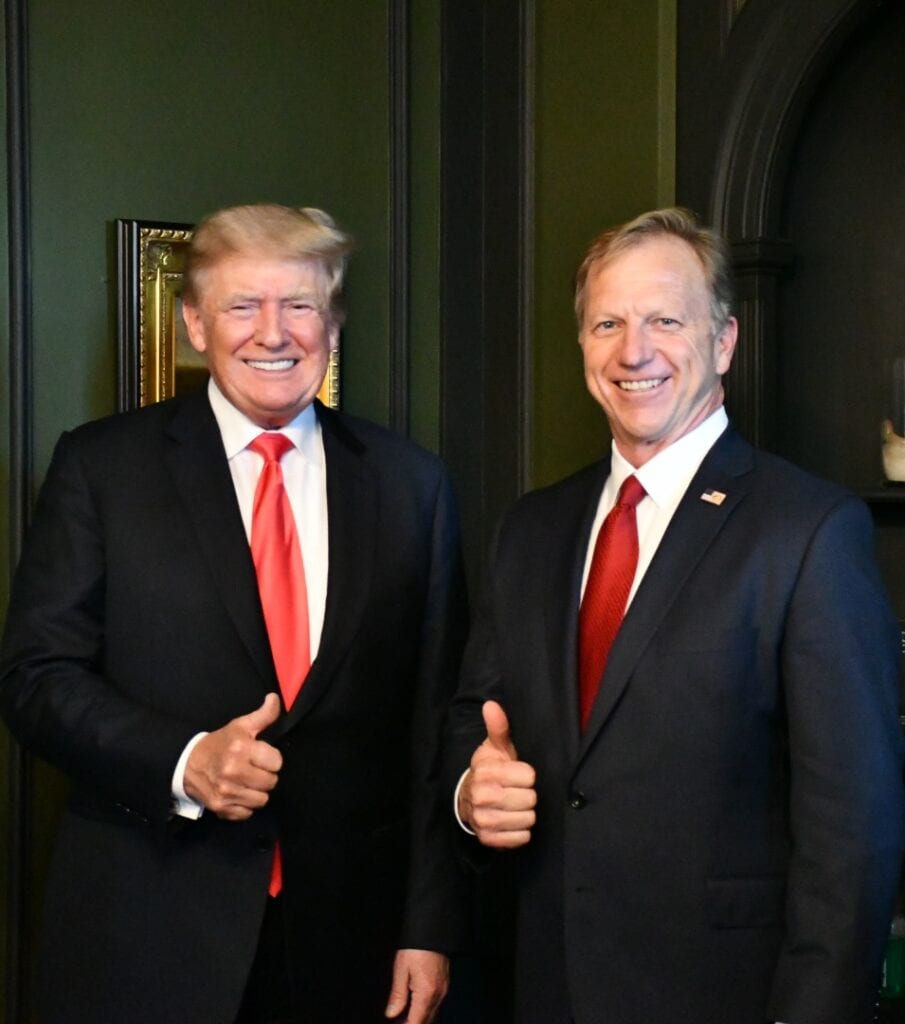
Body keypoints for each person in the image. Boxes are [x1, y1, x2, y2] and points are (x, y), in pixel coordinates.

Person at [0, 203, 468, 1024]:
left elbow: (437, 722)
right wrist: (183, 762)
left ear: (332, 322)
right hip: (146, 930)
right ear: (194, 322)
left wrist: (427, 929)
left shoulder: (410, 485)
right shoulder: (102, 469)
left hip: (348, 947)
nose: (273, 333)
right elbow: (35, 678)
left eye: (299, 306)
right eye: (242, 306)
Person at [444, 207, 905, 1024]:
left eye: (665, 320)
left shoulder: (807, 531)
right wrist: (469, 791)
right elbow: (472, 721)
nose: (634, 351)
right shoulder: (531, 528)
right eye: (607, 323)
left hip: (722, 996)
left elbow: (853, 833)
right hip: (540, 988)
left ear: (723, 341)